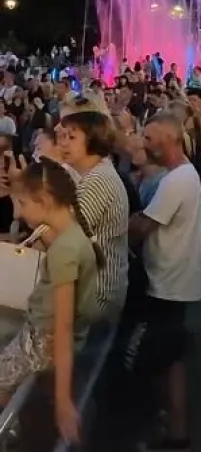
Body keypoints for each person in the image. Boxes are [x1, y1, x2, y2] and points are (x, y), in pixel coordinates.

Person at [0, 159, 101, 443]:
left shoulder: (64, 251)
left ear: (44, 200)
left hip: (40, 341)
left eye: (23, 203)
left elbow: (63, 325)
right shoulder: (73, 234)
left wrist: (63, 399)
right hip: (44, 338)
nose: (19, 211)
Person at [128, 113, 201, 451]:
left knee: (156, 358)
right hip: (172, 280)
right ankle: (176, 429)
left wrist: (121, 222)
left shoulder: (177, 181)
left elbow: (143, 227)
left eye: (150, 138)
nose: (144, 144)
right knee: (171, 359)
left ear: (169, 140)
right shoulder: (180, 175)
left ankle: (173, 430)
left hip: (168, 283)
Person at [58, 101, 130, 317]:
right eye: (62, 137)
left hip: (96, 295)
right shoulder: (92, 174)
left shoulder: (98, 179)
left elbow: (64, 237)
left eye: (71, 138)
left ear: (93, 140)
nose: (63, 144)